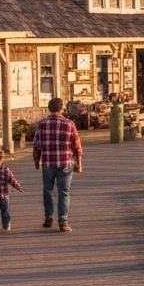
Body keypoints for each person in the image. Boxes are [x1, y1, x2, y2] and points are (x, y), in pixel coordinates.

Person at [33, 97, 83, 232]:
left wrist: (36, 160)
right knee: (64, 192)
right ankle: (63, 221)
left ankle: (48, 217)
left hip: (48, 163)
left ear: (49, 108)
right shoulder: (69, 124)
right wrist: (79, 163)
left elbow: (37, 144)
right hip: (65, 163)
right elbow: (76, 145)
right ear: (61, 108)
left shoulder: (42, 124)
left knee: (47, 190)